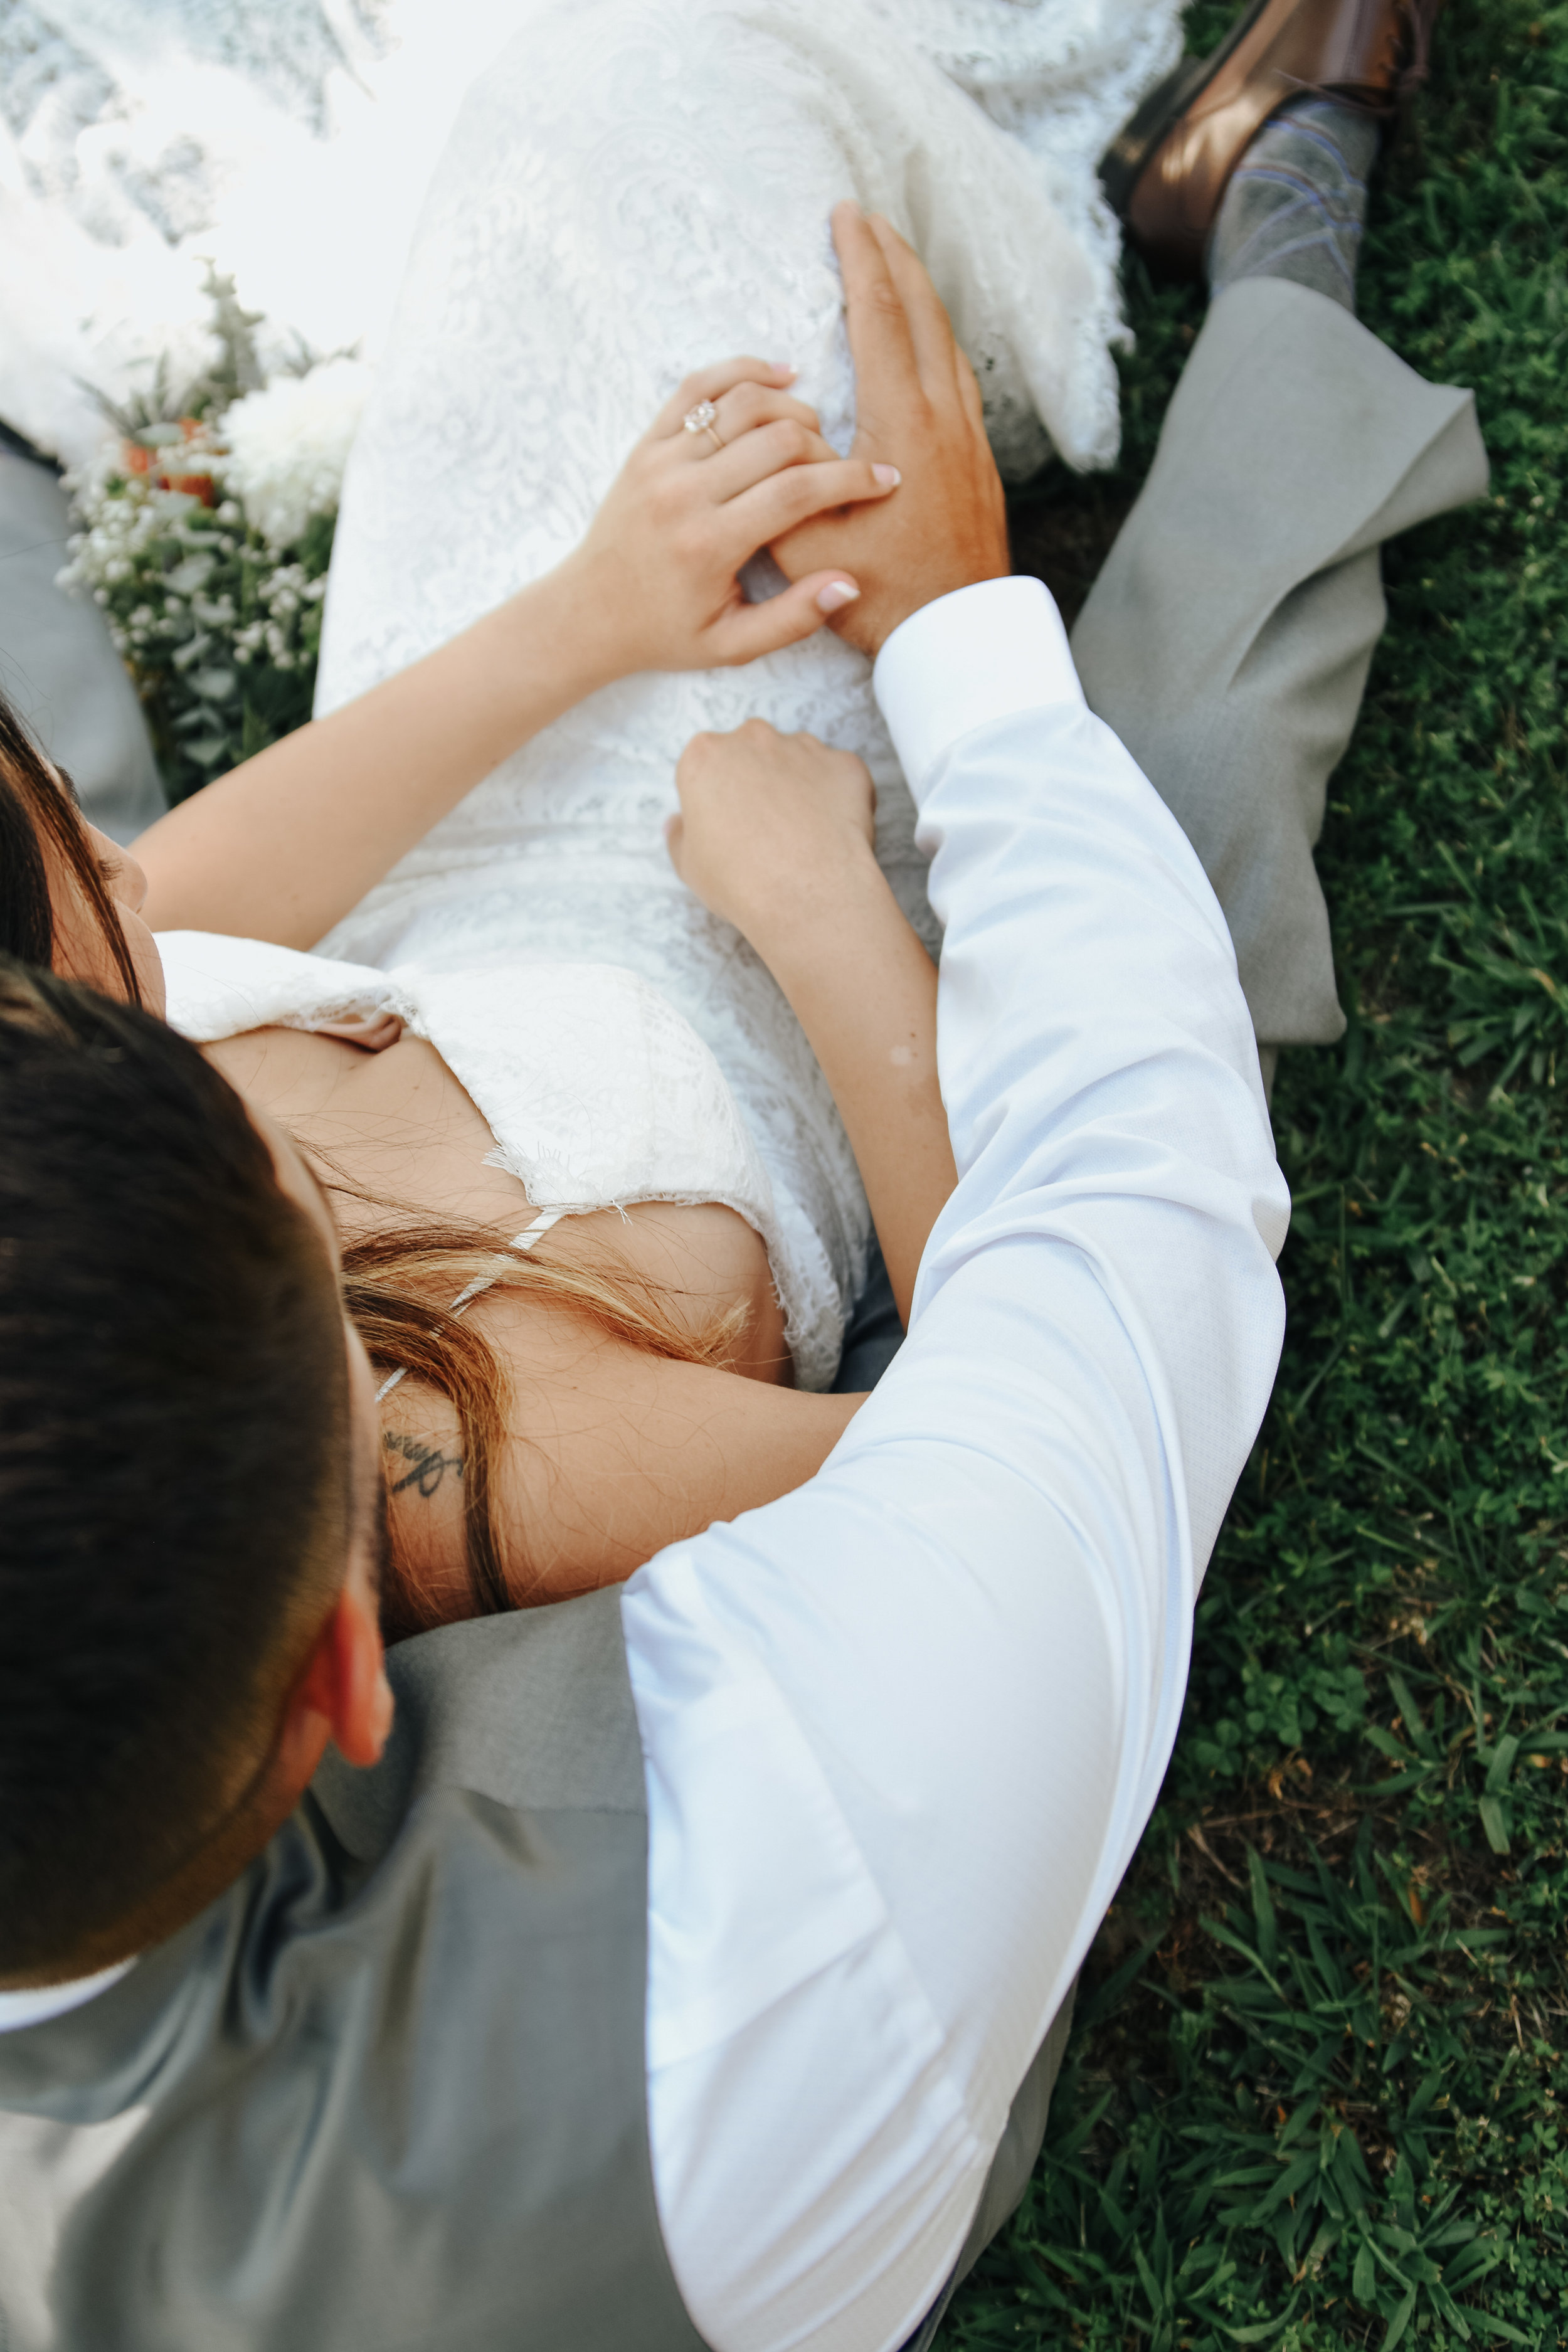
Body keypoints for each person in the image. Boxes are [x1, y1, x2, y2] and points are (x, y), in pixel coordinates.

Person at [0, 0, 1487, 2346]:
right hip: (742, 970)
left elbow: (158, 922)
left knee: (589, 100)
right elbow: (1080, 1335)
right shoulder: (563, 1542)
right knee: (1149, 790)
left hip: (510, 843)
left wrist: (574, 620)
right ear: (344, 1697)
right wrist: (909, 761)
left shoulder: (121, 1174)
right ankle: (1265, 208)